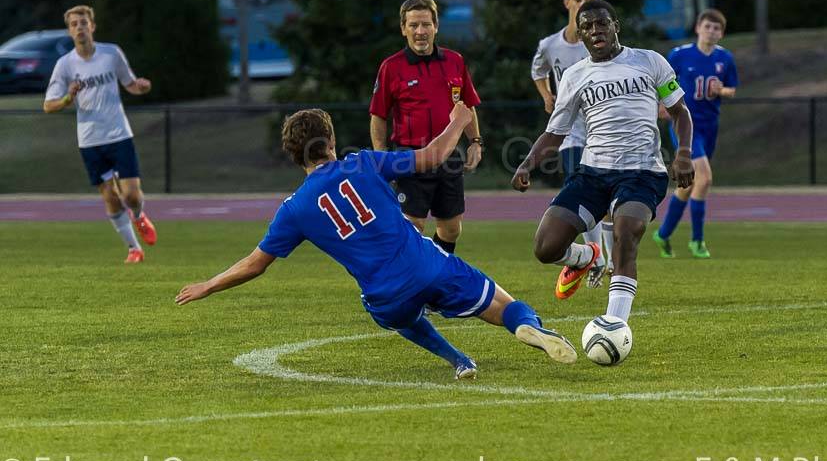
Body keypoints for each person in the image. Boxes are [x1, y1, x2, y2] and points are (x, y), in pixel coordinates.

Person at [176, 104, 576, 380]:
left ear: (294, 156)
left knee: (402, 317)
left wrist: (207, 285)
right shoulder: (364, 162)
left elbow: (255, 263)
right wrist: (458, 121)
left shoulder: (293, 209)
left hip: (384, 295)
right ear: (330, 141)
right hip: (426, 265)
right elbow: (433, 155)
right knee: (504, 304)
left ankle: (458, 360)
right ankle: (527, 327)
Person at [512, 0, 695, 323]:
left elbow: (680, 112)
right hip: (593, 173)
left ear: (615, 26)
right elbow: (555, 133)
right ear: (580, 36)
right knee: (545, 248)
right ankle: (585, 256)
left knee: (627, 231)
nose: (595, 31)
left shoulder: (650, 61)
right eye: (587, 27)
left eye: (601, 23)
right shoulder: (574, 75)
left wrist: (683, 154)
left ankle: (614, 324)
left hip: (642, 172)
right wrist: (527, 163)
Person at [43, 5, 157, 264]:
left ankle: (139, 216)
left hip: (118, 134)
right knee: (110, 197)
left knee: (130, 196)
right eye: (74, 24)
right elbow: (48, 105)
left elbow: (130, 84)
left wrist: (141, 87)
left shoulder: (111, 54)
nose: (79, 28)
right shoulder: (65, 65)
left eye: (83, 22)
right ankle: (133, 249)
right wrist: (67, 97)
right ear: (69, 31)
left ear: (92, 26)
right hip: (90, 140)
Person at [369, 0, 482, 255]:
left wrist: (476, 141)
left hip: (449, 157)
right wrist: (381, 160)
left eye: (426, 24)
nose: (420, 32)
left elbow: (467, 105)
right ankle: (409, 285)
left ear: (436, 26)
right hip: (409, 158)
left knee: (451, 229)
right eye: (413, 25)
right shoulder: (391, 67)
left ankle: (437, 279)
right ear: (403, 29)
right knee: (412, 226)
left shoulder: (455, 61)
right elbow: (378, 116)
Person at [530, 0, 614, 288]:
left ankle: (606, 257)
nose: (582, 5)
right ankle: (599, 258)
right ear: (567, 2)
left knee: (604, 197)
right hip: (570, 132)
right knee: (579, 187)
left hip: (601, 129)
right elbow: (538, 71)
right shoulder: (550, 46)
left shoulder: (599, 42)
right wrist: (547, 96)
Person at [653, 8, 739, 259]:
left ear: (721, 33)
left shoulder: (725, 58)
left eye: (716, 28)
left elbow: (732, 89)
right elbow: (662, 80)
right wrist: (662, 103)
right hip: (685, 125)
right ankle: (697, 241)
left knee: (689, 184)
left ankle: (664, 233)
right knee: (705, 179)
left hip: (710, 125)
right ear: (698, 28)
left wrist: (721, 90)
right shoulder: (680, 55)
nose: (711, 31)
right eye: (707, 26)